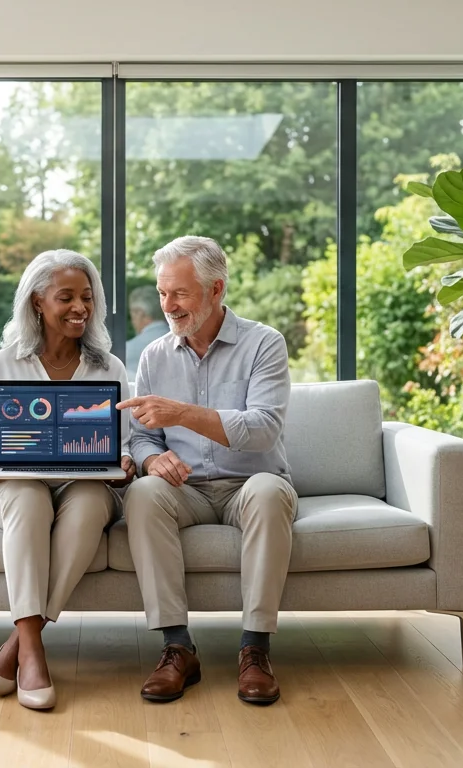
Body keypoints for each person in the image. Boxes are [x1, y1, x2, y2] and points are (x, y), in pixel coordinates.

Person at [116, 235, 297, 706]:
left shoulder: (264, 344)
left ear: (216, 290)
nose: (168, 305)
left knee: (267, 491)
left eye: (180, 293)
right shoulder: (155, 356)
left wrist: (180, 414)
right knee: (141, 493)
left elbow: (262, 430)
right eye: (162, 293)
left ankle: (255, 651)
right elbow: (140, 435)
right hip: (186, 492)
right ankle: (177, 647)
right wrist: (154, 459)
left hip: (249, 485)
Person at [0, 248, 136, 711]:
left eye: (87, 297)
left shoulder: (109, 368)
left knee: (90, 499)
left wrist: (125, 462)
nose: (80, 307)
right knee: (27, 495)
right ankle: (33, 651)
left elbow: (127, 443)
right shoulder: (3, 363)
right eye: (66, 297)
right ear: (38, 302)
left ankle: (20, 642)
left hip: (84, 484)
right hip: (12, 489)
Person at [125, 284, 169, 379]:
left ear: (139, 313)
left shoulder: (127, 350)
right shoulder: (183, 341)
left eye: (132, 313)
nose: (132, 320)